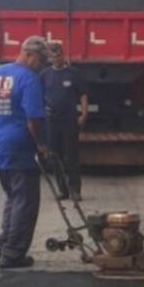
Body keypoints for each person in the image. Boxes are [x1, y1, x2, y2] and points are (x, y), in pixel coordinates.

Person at [0, 36, 49, 269]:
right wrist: (40, 144)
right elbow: (34, 119)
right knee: (26, 201)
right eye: (41, 61)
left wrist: (0, 130)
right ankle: (14, 254)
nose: (42, 66)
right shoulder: (29, 79)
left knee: (13, 197)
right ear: (29, 55)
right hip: (20, 147)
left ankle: (4, 244)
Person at [40, 42, 88, 202]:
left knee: (71, 157)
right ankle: (63, 190)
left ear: (63, 54)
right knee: (55, 157)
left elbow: (83, 95)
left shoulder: (73, 73)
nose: (57, 58)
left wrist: (84, 113)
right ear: (50, 58)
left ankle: (75, 190)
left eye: (59, 55)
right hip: (51, 121)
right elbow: (38, 96)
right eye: (53, 56)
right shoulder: (45, 75)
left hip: (69, 120)